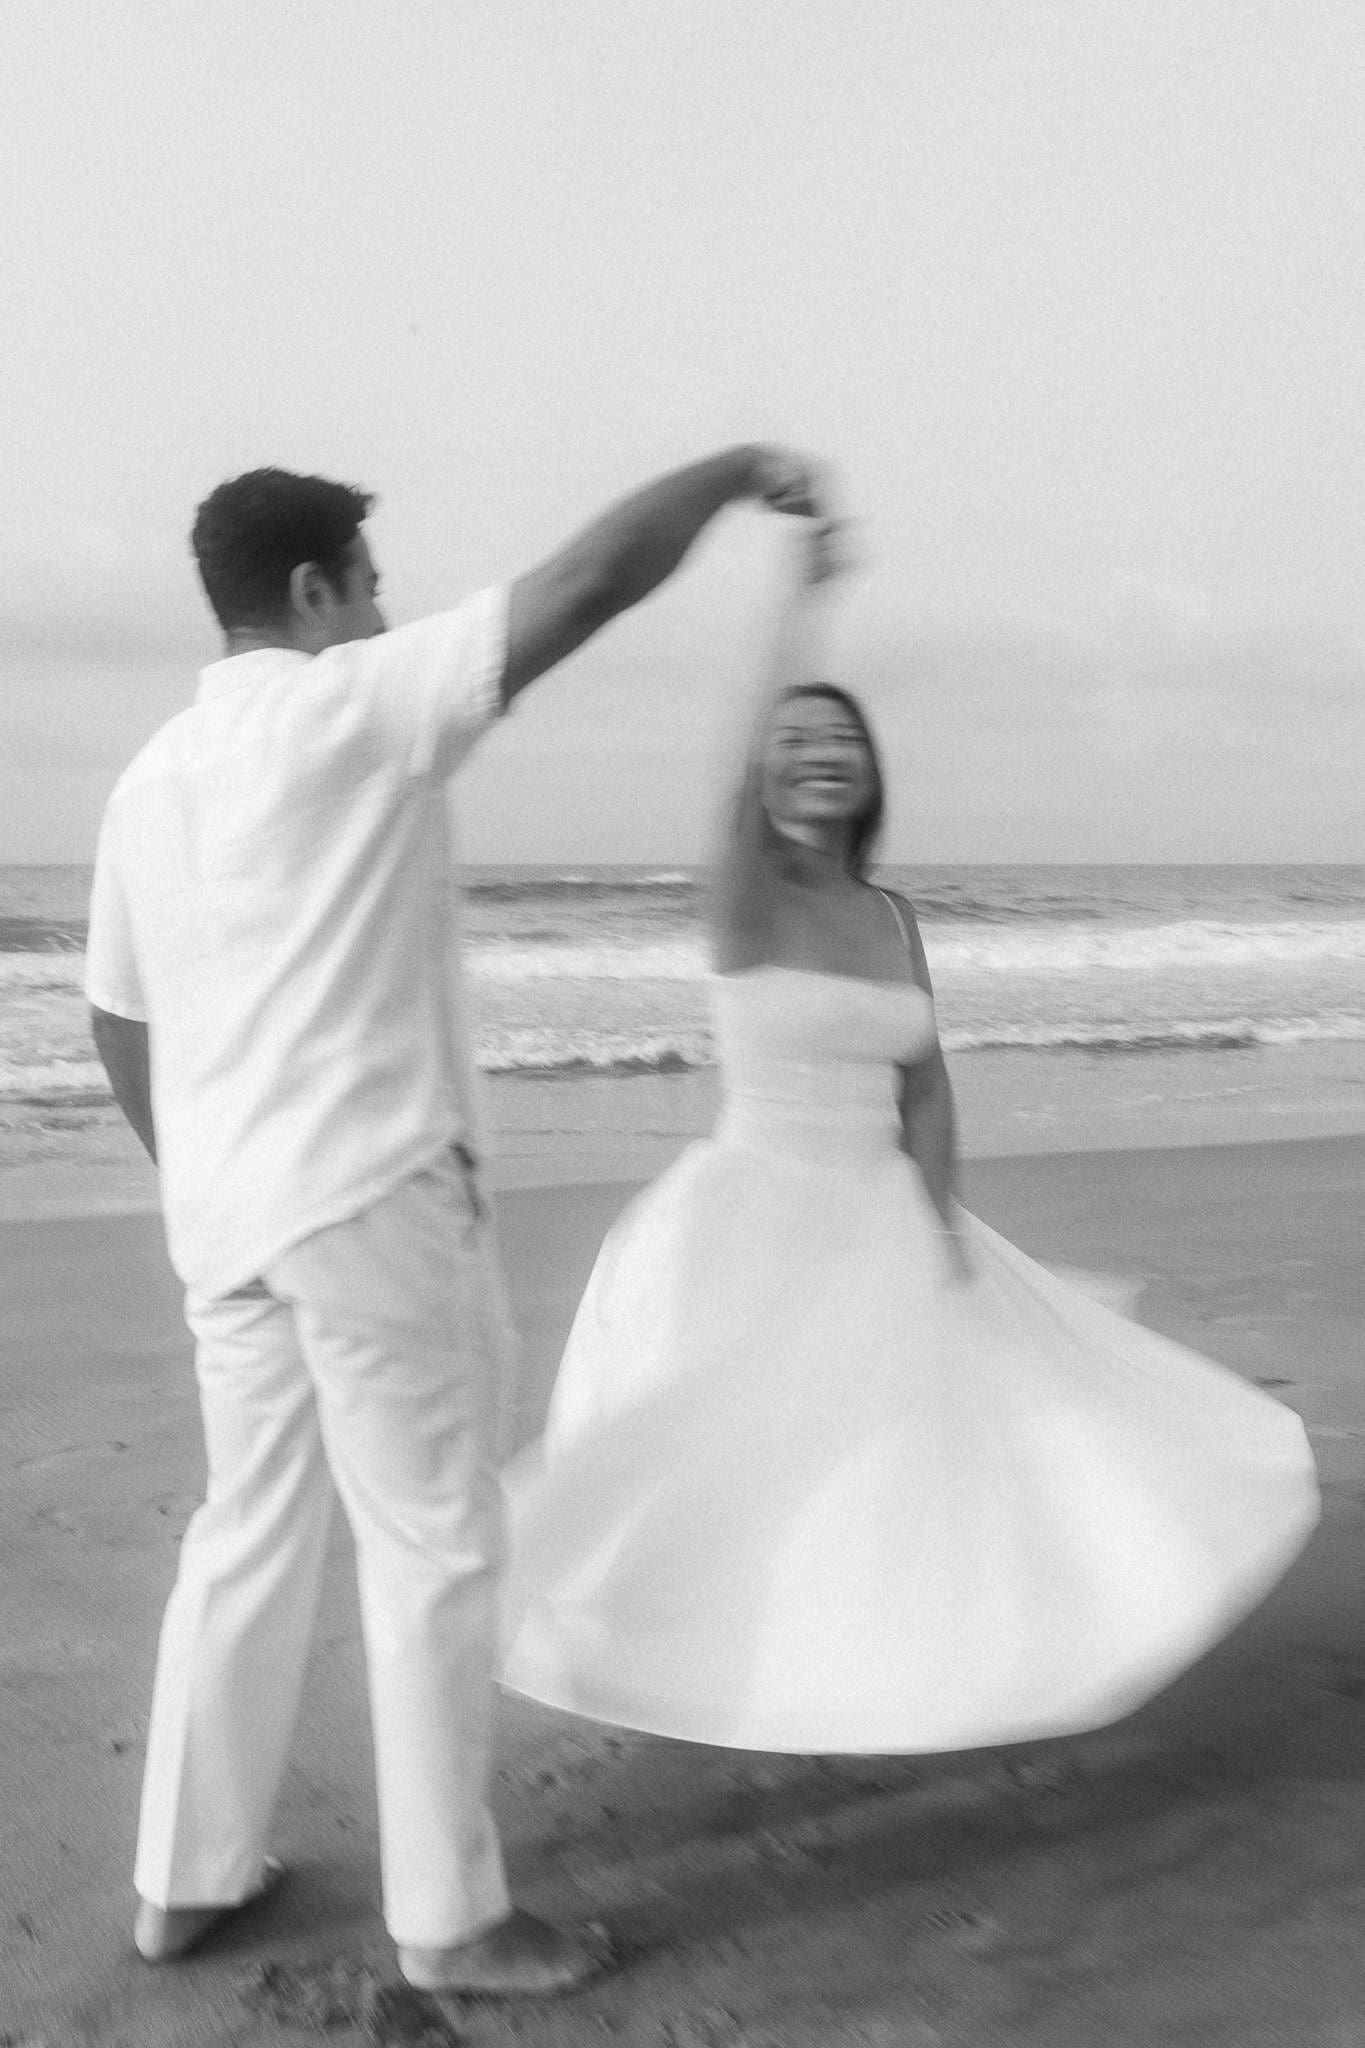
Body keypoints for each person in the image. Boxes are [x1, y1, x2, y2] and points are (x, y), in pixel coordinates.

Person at [84, 445, 827, 1996]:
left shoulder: (150, 780)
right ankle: (451, 1921)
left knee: (245, 1539)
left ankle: (183, 1879)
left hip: (230, 1227)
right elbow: (587, 584)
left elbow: (117, 1020)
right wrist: (736, 474)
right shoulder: (346, 706)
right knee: (430, 1549)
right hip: (367, 1199)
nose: (381, 611)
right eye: (366, 586)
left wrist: (201, 1171)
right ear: (311, 590)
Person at [499, 532, 1320, 1760]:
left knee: (933, 1455)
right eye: (799, 740)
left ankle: (895, 1667)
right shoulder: (745, 894)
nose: (821, 753)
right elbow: (733, 757)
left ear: (870, 773)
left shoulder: (890, 912)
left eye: (842, 740)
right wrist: (801, 600)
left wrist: (937, 1217)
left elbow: (926, 1078)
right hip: (751, 1208)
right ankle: (697, 1657)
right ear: (767, 776)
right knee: (728, 1453)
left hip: (884, 1202)